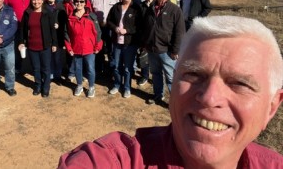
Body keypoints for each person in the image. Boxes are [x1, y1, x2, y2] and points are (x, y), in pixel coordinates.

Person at [58, 15, 283, 168]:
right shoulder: (117, 159)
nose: (210, 98)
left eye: (240, 84)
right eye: (194, 75)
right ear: (174, 82)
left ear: (272, 106)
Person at [142, 0, 185, 105]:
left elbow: (180, 32)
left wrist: (175, 50)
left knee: (171, 78)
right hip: (152, 49)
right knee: (155, 74)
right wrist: (146, 43)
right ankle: (158, 95)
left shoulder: (175, 10)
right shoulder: (150, 8)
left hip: (167, 51)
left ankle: (176, 102)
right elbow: (146, 27)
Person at [18, 0, 57, 97]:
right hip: (32, 46)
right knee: (36, 68)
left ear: (43, 0)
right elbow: (22, 29)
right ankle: (38, 85)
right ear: (31, 1)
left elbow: (52, 29)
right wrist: (21, 42)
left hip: (45, 45)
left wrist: (54, 43)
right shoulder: (27, 13)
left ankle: (46, 87)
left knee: (46, 68)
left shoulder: (48, 12)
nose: (36, 1)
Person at [107, 0, 142, 98]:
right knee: (116, 66)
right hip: (117, 42)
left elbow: (139, 27)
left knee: (127, 68)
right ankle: (117, 85)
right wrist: (115, 28)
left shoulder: (136, 8)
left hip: (129, 43)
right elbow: (109, 21)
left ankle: (127, 87)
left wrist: (127, 30)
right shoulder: (116, 7)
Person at [65, 0, 102, 98]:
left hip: (89, 49)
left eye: (81, 1)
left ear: (85, 3)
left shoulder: (91, 17)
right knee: (78, 68)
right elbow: (66, 33)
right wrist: (69, 47)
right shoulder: (70, 17)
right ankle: (79, 85)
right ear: (74, 3)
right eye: (77, 1)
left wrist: (97, 46)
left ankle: (91, 87)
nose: (79, 3)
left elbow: (97, 32)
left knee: (90, 68)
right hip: (76, 48)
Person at [90, 0, 120, 78]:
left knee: (111, 49)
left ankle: (112, 71)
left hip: (110, 27)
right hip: (98, 28)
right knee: (99, 49)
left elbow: (118, 14)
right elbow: (91, 12)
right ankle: (99, 69)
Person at [4, 0, 33, 76]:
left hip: (30, 25)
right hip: (15, 25)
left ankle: (33, 68)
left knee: (32, 46)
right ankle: (17, 68)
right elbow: (5, 9)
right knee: (17, 46)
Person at [44, 0, 67, 85]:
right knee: (47, 58)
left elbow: (64, 21)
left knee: (57, 58)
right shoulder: (43, 7)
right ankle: (49, 76)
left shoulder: (60, 6)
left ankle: (57, 76)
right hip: (46, 36)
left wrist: (59, 25)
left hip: (57, 36)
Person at [136, 0, 155, 86]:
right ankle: (144, 76)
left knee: (156, 59)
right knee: (144, 58)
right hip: (143, 36)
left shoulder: (156, 5)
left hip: (155, 37)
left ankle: (156, 78)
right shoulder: (141, 6)